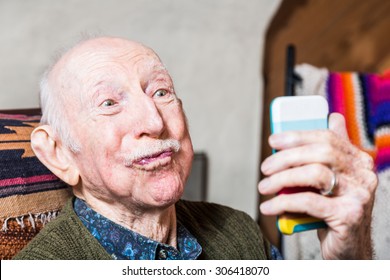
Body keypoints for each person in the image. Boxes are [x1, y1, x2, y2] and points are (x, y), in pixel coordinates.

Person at [13, 36, 377, 260]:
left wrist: (350, 258)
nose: (155, 122)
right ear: (58, 153)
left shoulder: (238, 231)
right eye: (109, 103)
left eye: (161, 92)